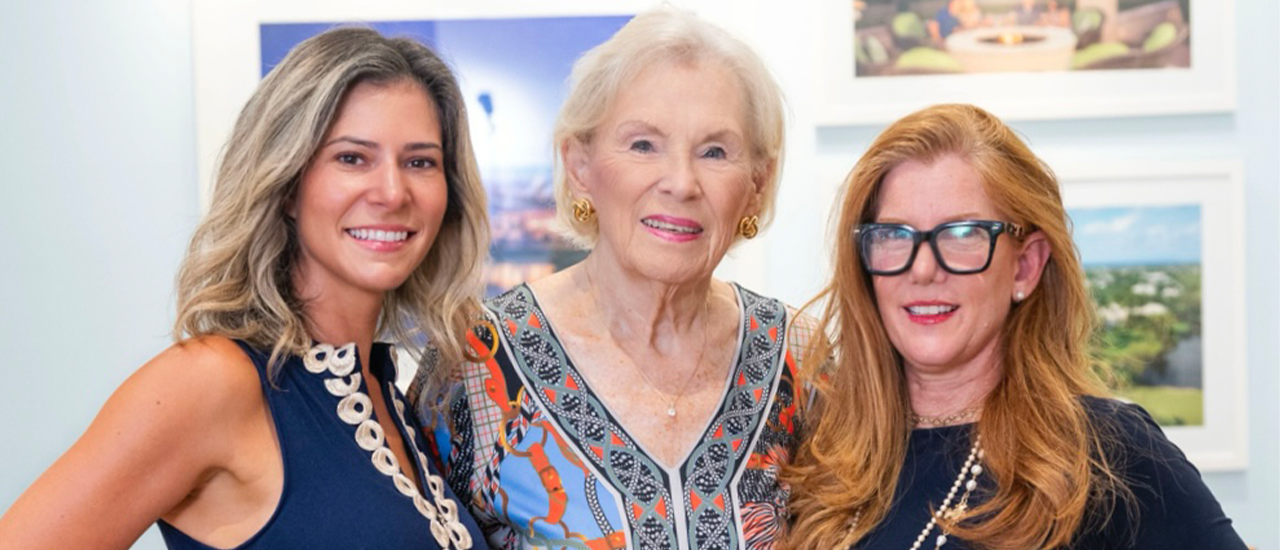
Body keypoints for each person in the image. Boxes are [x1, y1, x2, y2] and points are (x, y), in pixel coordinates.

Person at [0, 27, 489, 550]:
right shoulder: (212, 381)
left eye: (420, 162)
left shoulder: (392, 395)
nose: (393, 192)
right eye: (352, 158)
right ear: (286, 186)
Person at [410, 8, 812, 550]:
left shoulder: (802, 356)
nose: (681, 182)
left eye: (715, 151)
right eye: (644, 144)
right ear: (579, 165)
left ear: (757, 183)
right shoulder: (474, 362)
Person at [782, 104, 1246, 549]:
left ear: (1025, 266)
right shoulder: (821, 453)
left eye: (963, 234)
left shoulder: (1108, 453)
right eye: (893, 235)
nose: (922, 269)